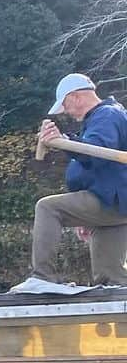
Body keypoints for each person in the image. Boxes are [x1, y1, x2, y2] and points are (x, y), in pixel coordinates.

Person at [11, 72, 127, 295]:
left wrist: (63, 142)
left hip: (114, 199)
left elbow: (96, 153)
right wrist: (84, 216)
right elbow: (96, 167)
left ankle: (42, 277)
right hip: (114, 202)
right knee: (112, 282)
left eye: (65, 105)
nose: (66, 112)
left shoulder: (106, 115)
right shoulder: (104, 117)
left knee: (48, 207)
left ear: (75, 97)